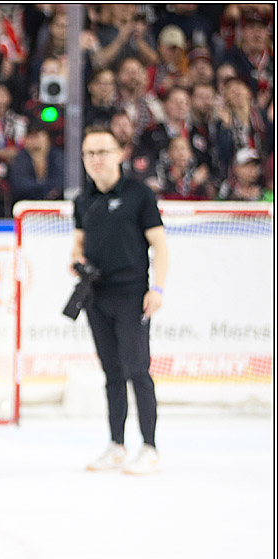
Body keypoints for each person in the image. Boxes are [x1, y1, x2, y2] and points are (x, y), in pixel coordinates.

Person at [72, 125, 169, 475]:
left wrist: (156, 289)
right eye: (90, 153)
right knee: (111, 372)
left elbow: (159, 245)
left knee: (137, 370)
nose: (96, 159)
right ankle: (116, 444)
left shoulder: (139, 195)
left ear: (119, 154)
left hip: (132, 296)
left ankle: (150, 446)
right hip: (96, 298)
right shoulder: (83, 200)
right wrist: (77, 264)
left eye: (103, 152)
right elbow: (77, 245)